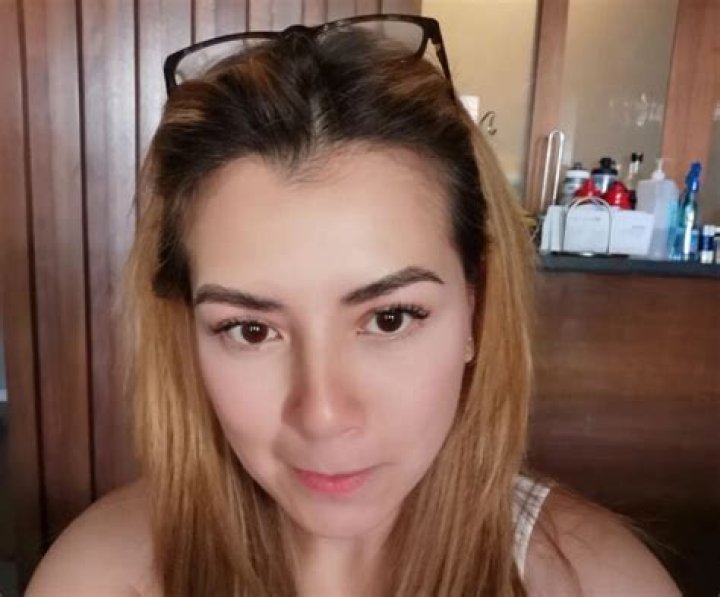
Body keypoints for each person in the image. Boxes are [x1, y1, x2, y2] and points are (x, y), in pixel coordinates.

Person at [27, 15, 679, 597]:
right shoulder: (98, 579)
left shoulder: (598, 583)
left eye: (389, 318)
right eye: (250, 329)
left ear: (475, 309)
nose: (323, 415)